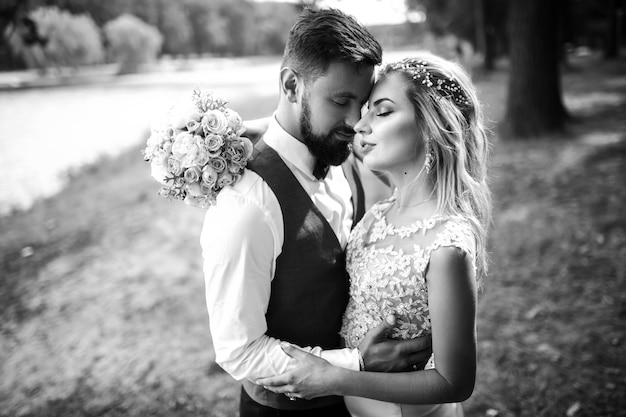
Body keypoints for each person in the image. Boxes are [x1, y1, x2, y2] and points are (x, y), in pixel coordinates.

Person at [201, 8, 432, 417]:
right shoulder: (247, 206)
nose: (355, 121)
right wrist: (355, 364)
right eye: (341, 101)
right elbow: (238, 351)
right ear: (292, 85)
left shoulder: (339, 152)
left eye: (362, 103)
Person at [257, 52, 492, 417]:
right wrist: (245, 132)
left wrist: (336, 378)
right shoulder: (382, 211)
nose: (359, 124)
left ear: (431, 125)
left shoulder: (447, 247)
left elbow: (455, 382)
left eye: (381, 112)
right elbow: (311, 136)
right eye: (364, 110)